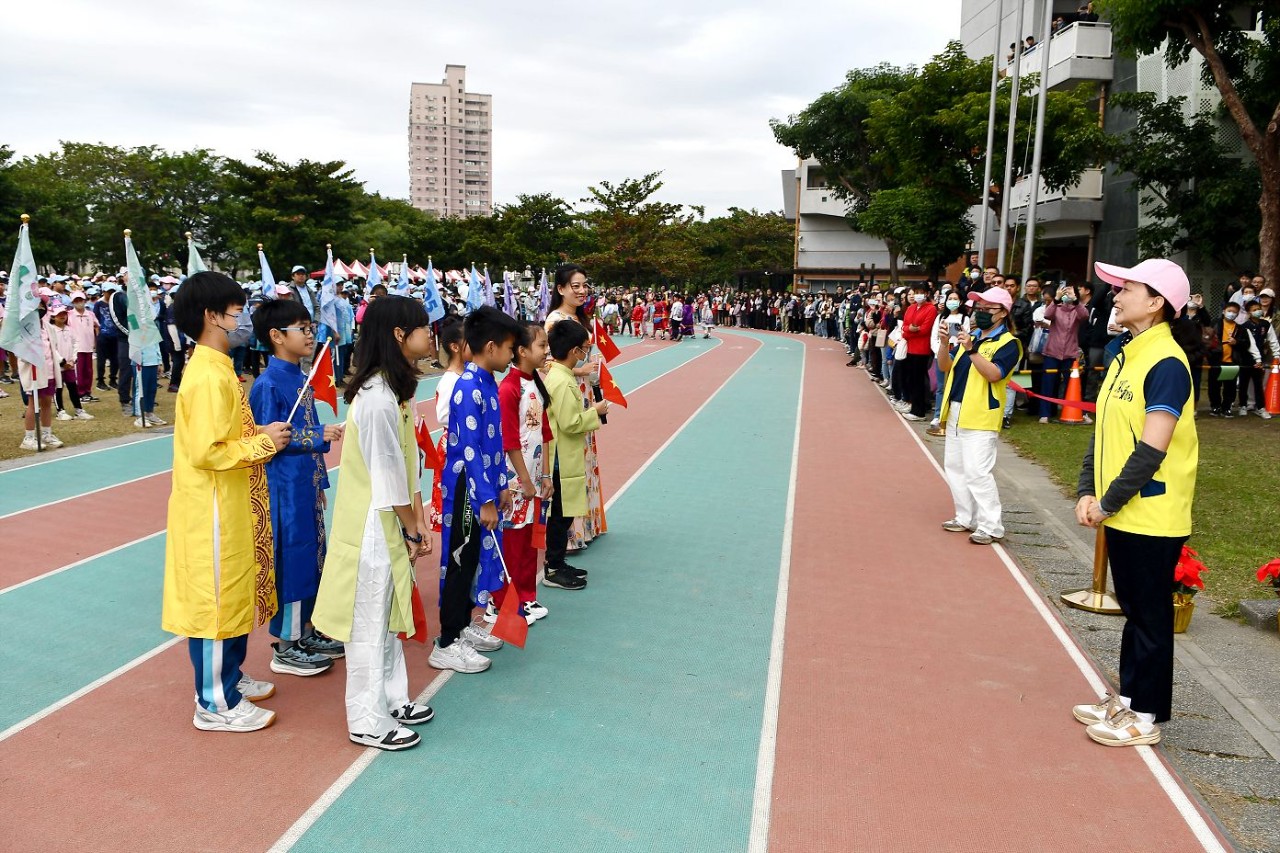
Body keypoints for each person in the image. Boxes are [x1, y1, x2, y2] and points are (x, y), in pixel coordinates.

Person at [1073, 258, 1199, 747]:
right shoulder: (1128, 352)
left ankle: (1145, 715)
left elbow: (1152, 448)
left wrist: (1108, 502)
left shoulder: (1166, 362)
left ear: (1156, 303)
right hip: (1124, 508)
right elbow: (1104, 432)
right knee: (1134, 609)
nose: (1116, 295)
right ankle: (1128, 699)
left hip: (1152, 511)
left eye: (1127, 288)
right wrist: (1088, 489)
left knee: (1149, 615)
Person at [161, 271, 293, 733]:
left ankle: (230, 677)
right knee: (215, 603)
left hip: (233, 503)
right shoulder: (205, 376)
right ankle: (214, 702)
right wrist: (264, 443)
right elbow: (208, 451)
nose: (244, 322)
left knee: (235, 591)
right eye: (238, 313)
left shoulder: (221, 369)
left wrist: (259, 434)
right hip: (211, 510)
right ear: (212, 316)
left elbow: (228, 434)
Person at [312, 295, 436, 751]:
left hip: (388, 518)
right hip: (373, 524)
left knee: (385, 614)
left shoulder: (393, 392)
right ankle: (366, 719)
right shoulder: (378, 399)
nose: (430, 334)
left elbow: (407, 465)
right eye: (423, 327)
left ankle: (392, 698)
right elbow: (387, 476)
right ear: (400, 335)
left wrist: (417, 519)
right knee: (368, 620)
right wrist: (412, 526)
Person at [249, 299, 345, 678]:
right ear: (276, 336)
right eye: (302, 329)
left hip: (305, 484)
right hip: (283, 489)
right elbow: (270, 439)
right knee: (292, 560)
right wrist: (319, 434)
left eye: (310, 328)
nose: (309, 335)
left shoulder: (300, 379)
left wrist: (320, 480)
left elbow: (307, 426)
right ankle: (286, 644)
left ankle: (307, 630)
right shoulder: (268, 384)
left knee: (314, 556)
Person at [427, 305, 521, 674]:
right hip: (468, 490)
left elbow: (491, 444)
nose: (512, 355)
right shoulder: (467, 388)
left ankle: (464, 624)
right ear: (492, 347)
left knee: (475, 558)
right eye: (510, 348)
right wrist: (485, 499)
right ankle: (447, 641)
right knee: (461, 560)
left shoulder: (487, 382)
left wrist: (502, 485)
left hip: (484, 487)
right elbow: (469, 450)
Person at [936, 286, 1022, 545]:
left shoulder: (1009, 343)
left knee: (977, 471)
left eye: (987, 309)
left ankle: (991, 525)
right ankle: (965, 517)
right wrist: (944, 344)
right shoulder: (970, 336)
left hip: (982, 414)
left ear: (1003, 313)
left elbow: (995, 374)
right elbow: (945, 366)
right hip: (956, 409)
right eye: (978, 308)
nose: (981, 312)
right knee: (955, 467)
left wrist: (972, 350)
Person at [545, 265, 608, 551]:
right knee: (571, 463)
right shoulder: (555, 321)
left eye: (585, 285)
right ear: (560, 289)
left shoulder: (579, 318)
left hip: (583, 392)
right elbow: (547, 363)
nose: (582, 291)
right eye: (575, 286)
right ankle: (570, 535)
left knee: (584, 459)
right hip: (569, 390)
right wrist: (581, 371)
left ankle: (587, 525)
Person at [543, 319, 609, 590]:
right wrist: (596, 412)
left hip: (564, 456)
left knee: (564, 513)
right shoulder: (561, 381)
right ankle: (553, 567)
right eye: (584, 349)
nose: (585, 354)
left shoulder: (562, 376)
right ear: (574, 351)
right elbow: (570, 422)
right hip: (561, 459)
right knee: (560, 516)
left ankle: (558, 562)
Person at [498, 321, 554, 624]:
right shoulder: (509, 388)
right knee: (514, 541)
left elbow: (544, 433)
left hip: (533, 480)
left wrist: (545, 475)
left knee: (531, 540)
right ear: (521, 351)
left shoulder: (535, 384)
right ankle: (509, 600)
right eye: (541, 345)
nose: (546, 350)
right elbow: (509, 441)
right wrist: (525, 480)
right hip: (516, 482)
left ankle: (528, 595)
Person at [1039, 283, 1090, 424]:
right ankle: (1045, 413)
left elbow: (1085, 316)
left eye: (1070, 292)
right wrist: (1056, 299)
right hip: (1052, 351)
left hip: (1070, 352)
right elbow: (1047, 315)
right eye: (1065, 293)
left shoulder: (1077, 309)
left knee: (1072, 383)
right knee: (1048, 383)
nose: (1067, 295)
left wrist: (1075, 300)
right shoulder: (1056, 307)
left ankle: (1075, 411)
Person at [46, 304, 93, 422]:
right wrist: (61, 361)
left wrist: (73, 359)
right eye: (59, 314)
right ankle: (60, 411)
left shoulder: (69, 329)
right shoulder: (51, 330)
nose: (62, 316)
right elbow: (52, 348)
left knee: (73, 387)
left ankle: (79, 409)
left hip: (70, 365)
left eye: (64, 314)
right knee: (58, 388)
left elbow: (75, 343)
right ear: (53, 317)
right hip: (57, 365)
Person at [899, 282, 938, 421]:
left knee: (918, 380)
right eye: (916, 292)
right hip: (910, 347)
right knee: (911, 379)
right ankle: (913, 406)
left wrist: (909, 331)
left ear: (927, 294)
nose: (918, 295)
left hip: (922, 349)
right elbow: (904, 327)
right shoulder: (911, 308)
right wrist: (910, 330)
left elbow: (925, 330)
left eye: (921, 292)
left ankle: (919, 411)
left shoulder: (931, 309)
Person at [66, 291, 100, 402]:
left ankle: (87, 392)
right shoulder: (69, 314)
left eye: (80, 300)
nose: (79, 302)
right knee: (79, 371)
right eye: (76, 301)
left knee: (88, 371)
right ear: (73, 302)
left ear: (84, 301)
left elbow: (97, 326)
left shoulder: (90, 314)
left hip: (88, 346)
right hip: (76, 348)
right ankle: (80, 393)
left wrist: (96, 341)